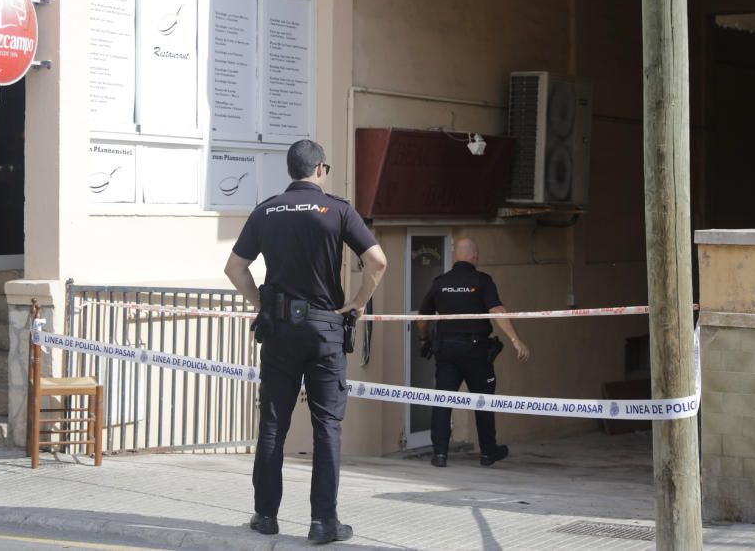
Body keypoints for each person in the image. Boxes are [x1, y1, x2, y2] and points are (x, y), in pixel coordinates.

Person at [224, 139, 387, 544]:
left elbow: (235, 268)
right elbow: (378, 261)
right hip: (323, 330)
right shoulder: (337, 210)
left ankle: (265, 516)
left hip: (279, 331)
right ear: (319, 169)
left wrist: (264, 304)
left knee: (273, 424)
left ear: (292, 170)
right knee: (326, 426)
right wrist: (357, 303)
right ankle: (323, 522)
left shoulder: (267, 210)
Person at [415, 237, 530, 468]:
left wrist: (424, 339)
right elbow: (497, 310)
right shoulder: (482, 281)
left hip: (446, 350)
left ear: (455, 256)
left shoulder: (440, 282)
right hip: (476, 351)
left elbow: (422, 318)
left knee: (443, 400)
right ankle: (488, 453)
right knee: (483, 400)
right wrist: (516, 340)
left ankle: (440, 454)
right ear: (475, 257)